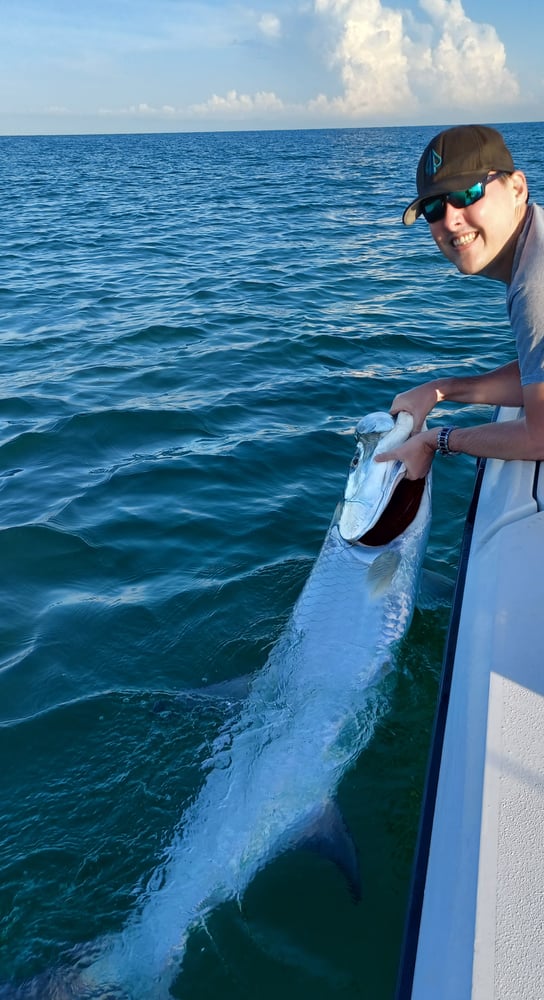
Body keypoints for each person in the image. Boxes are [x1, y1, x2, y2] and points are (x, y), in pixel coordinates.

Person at [375, 123, 544, 480]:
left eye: (467, 193)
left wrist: (438, 439)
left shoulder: (535, 283)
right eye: (434, 207)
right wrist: (441, 390)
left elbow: (540, 437)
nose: (450, 220)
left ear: (517, 188)